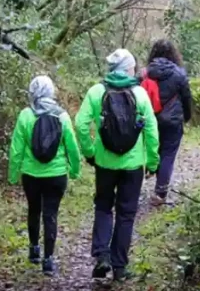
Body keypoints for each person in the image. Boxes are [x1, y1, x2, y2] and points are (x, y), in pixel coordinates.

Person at [75, 49, 159, 282]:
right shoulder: (140, 94)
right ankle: (120, 267)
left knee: (103, 207)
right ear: (129, 68)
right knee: (126, 213)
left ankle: (102, 256)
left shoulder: (96, 91)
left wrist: (90, 152)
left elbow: (81, 124)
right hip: (133, 166)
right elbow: (151, 130)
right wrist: (153, 162)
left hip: (105, 163)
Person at [8, 75, 82, 276]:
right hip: (57, 175)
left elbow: (16, 149)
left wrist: (13, 175)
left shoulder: (25, 115)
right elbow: (72, 148)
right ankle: (48, 260)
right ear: (51, 92)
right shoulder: (62, 116)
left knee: (34, 210)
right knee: (50, 215)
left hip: (31, 175)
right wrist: (75, 170)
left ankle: (33, 250)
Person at [139, 40, 193, 207]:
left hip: (149, 119)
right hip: (172, 121)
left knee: (152, 148)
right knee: (168, 154)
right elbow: (186, 98)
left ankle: (150, 169)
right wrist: (187, 116)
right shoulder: (179, 74)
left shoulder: (144, 73)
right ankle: (160, 192)